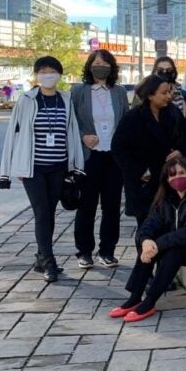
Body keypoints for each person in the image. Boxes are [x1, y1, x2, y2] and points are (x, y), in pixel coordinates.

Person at [0, 56, 85, 283]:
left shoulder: (65, 99)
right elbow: (14, 134)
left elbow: (72, 131)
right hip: (33, 168)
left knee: (49, 212)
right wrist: (9, 167)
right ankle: (49, 262)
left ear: (59, 74)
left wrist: (75, 165)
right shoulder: (26, 100)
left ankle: (40, 257)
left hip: (58, 167)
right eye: (43, 71)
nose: (48, 75)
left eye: (52, 71)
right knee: (41, 212)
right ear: (37, 75)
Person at [109, 158, 186, 322]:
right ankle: (135, 297)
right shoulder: (166, 198)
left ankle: (150, 301)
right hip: (180, 245)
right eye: (172, 175)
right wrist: (146, 241)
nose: (177, 178)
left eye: (182, 173)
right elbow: (148, 225)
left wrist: (156, 245)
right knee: (148, 245)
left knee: (171, 252)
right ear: (166, 179)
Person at [112, 74, 186, 229]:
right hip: (144, 182)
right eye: (164, 93)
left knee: (170, 225)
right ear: (150, 95)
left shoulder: (173, 113)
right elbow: (119, 148)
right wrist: (141, 172)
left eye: (169, 92)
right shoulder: (133, 118)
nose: (168, 96)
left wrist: (180, 152)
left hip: (169, 179)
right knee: (146, 227)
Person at [71, 49, 130, 269]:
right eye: (96, 62)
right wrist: (83, 137)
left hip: (113, 157)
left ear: (111, 67)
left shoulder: (119, 92)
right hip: (89, 156)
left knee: (112, 206)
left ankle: (107, 251)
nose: (100, 66)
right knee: (87, 205)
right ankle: (84, 251)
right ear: (89, 66)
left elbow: (125, 123)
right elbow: (71, 123)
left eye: (105, 62)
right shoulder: (79, 91)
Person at [153, 57, 186, 123]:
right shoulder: (145, 93)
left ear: (174, 72)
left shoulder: (183, 95)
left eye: (169, 70)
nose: (164, 72)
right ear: (155, 72)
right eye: (160, 70)